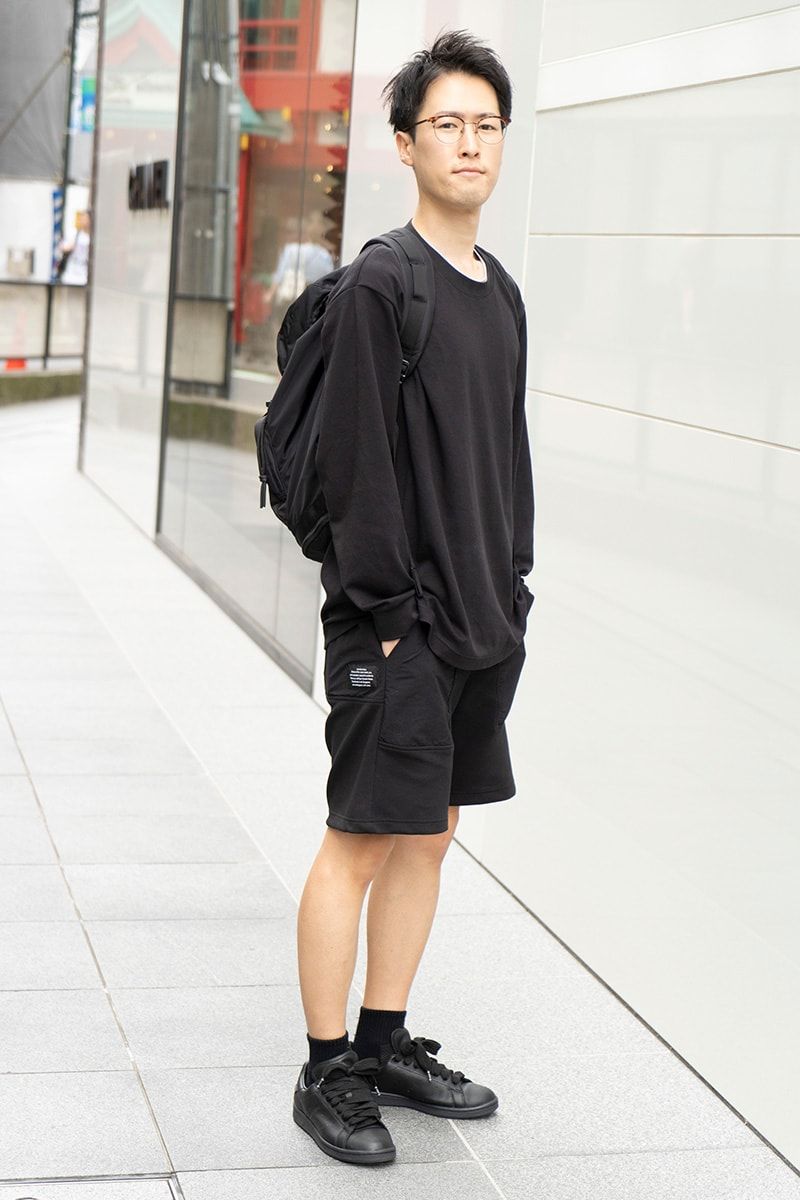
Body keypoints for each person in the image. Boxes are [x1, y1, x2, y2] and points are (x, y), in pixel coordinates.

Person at [292, 30, 534, 1166]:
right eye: (447, 123)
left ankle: (384, 1040)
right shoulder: (383, 284)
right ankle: (325, 1069)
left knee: (428, 836)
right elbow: (353, 470)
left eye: (486, 124)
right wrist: (392, 620)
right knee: (357, 840)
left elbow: (504, 455)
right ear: (405, 144)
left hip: (481, 619)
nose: (469, 142)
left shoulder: (501, 292)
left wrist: (512, 588)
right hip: (399, 626)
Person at [56, 210, 91, 286]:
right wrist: (69, 247)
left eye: (85, 219)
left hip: (85, 274)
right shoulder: (74, 233)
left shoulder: (93, 236)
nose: (83, 221)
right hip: (71, 272)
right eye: (82, 219)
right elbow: (61, 246)